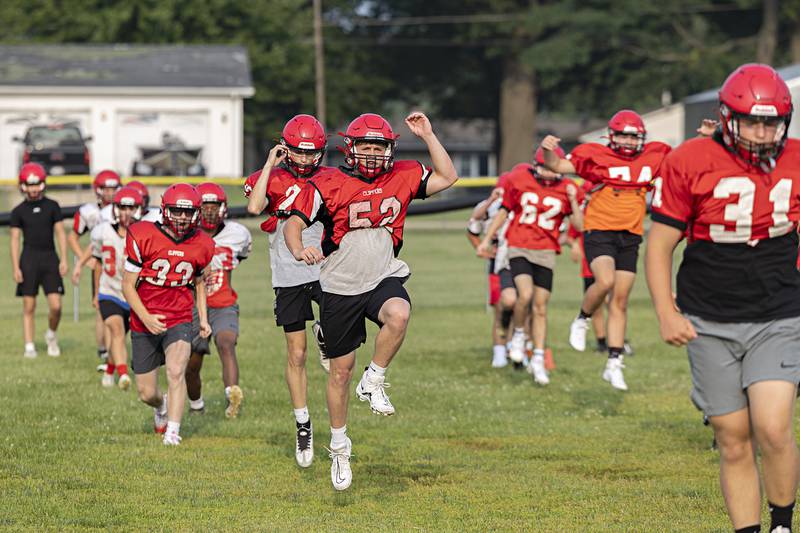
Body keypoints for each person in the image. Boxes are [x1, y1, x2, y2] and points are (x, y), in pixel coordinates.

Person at [646, 63, 800, 533]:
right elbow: (659, 245)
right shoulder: (690, 159)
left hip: (779, 311)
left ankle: (780, 524)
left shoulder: (796, 158)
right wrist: (665, 312)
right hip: (708, 316)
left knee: (772, 427)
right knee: (733, 439)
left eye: (771, 122)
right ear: (727, 117)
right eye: (752, 121)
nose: (761, 131)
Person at [284, 111, 458, 491]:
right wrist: (299, 251)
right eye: (366, 146)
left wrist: (429, 134)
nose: (374, 154)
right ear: (351, 148)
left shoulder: (404, 174)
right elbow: (292, 224)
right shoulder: (328, 182)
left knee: (400, 312)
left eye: (380, 147)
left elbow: (448, 177)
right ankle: (340, 447)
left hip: (382, 274)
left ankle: (375, 378)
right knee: (340, 372)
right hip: (341, 286)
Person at [541, 110, 671, 391]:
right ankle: (582, 318)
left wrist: (707, 138)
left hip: (631, 234)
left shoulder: (653, 156)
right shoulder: (594, 155)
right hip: (599, 231)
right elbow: (558, 167)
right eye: (622, 134)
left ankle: (614, 362)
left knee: (620, 300)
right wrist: (547, 151)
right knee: (605, 281)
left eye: (632, 135)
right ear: (611, 136)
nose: (627, 140)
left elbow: (687, 165)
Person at [244, 114, 330, 468]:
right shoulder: (272, 177)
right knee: (296, 354)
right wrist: (268, 164)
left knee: (339, 324)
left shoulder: (330, 178)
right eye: (300, 152)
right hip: (287, 270)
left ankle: (326, 332)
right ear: (286, 148)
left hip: (326, 265)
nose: (307, 160)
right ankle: (303, 423)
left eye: (312, 154)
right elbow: (253, 207)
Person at [478, 146, 583, 385]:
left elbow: (580, 225)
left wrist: (574, 201)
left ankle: (537, 357)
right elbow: (503, 212)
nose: (548, 172)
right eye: (544, 167)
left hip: (546, 251)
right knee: (523, 295)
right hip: (519, 246)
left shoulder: (566, 189)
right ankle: (518, 336)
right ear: (536, 166)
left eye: (551, 167)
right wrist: (486, 239)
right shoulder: (519, 180)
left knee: (541, 307)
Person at [122, 183, 214, 445]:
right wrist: (146, 318)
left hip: (179, 316)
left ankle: (173, 431)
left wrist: (203, 319)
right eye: (177, 211)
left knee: (176, 371)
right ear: (165, 209)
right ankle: (161, 406)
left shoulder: (203, 243)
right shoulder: (143, 235)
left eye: (188, 212)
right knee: (145, 392)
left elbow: (198, 282)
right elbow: (127, 285)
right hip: (144, 317)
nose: (183, 218)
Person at [185, 182, 252, 418]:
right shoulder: (187, 234)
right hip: (192, 306)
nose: (210, 211)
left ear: (223, 208)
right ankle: (196, 406)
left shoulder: (237, 234)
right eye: (205, 206)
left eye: (214, 206)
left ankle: (231, 397)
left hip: (223, 302)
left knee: (226, 343)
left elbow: (239, 257)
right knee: (192, 362)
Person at [74, 187, 144, 389]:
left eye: (131, 207)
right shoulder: (102, 231)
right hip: (109, 291)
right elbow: (97, 263)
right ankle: (123, 375)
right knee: (116, 330)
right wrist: (96, 292)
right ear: (115, 209)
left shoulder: (144, 233)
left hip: (132, 295)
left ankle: (111, 368)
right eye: (122, 207)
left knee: (119, 337)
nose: (126, 212)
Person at [9, 163, 68, 358]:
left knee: (56, 305)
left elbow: (60, 233)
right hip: (29, 259)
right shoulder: (18, 211)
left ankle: (51, 335)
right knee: (29, 305)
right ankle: (29, 346)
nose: (33, 189)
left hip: (50, 257)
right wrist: (16, 266)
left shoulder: (52, 206)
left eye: (36, 184)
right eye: (29, 184)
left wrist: (64, 259)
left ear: (43, 184)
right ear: (23, 186)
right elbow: (15, 239)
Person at [69, 170, 121, 364]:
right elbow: (74, 237)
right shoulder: (90, 212)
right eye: (106, 188)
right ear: (98, 190)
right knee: (101, 308)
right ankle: (104, 351)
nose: (111, 192)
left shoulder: (125, 208)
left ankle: (115, 350)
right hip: (103, 264)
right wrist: (84, 259)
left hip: (122, 266)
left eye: (114, 188)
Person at [466, 176, 516, 368]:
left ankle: (515, 347)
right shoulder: (489, 207)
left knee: (521, 307)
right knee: (500, 308)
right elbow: (472, 227)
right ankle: (500, 351)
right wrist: (483, 250)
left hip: (519, 257)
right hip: (497, 261)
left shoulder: (519, 203)